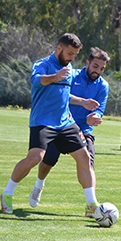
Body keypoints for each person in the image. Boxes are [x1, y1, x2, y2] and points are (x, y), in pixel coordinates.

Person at [0, 33, 100, 218]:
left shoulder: (67, 67)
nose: (72, 58)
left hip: (65, 122)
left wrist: (82, 102)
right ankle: (7, 193)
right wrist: (55, 76)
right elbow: (39, 81)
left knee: (84, 157)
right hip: (43, 121)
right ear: (59, 48)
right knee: (35, 158)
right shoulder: (42, 64)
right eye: (70, 53)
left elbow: (63, 95)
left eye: (75, 55)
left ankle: (91, 204)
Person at [28, 47, 110, 209]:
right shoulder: (71, 75)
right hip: (60, 125)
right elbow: (60, 97)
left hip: (84, 129)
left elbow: (99, 109)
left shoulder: (103, 86)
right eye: (95, 66)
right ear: (87, 62)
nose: (97, 71)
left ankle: (91, 204)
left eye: (101, 69)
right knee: (48, 161)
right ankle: (39, 185)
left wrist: (95, 116)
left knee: (89, 162)